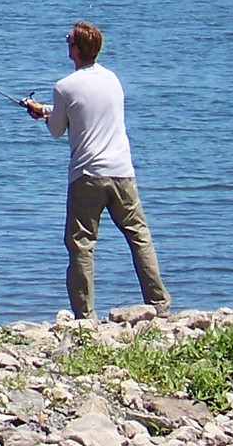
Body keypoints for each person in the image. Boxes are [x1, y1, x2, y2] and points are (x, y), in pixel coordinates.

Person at [23, 20, 169, 319]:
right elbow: (85, 111)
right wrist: (47, 109)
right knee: (139, 236)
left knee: (81, 245)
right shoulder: (112, 79)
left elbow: (57, 130)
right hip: (122, 172)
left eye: (68, 40)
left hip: (87, 176)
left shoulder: (64, 87)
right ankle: (159, 303)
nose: (67, 44)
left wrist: (44, 114)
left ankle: (85, 316)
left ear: (76, 49)